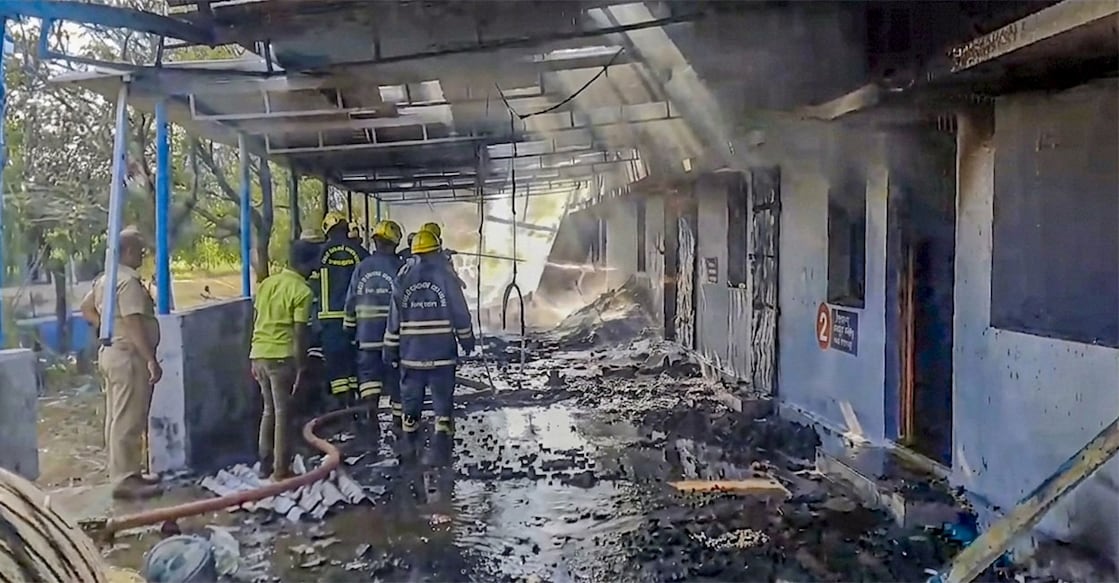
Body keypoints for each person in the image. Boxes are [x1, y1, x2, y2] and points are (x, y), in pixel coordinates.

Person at [79, 227, 162, 500]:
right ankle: (126, 480)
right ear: (126, 251)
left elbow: (86, 308)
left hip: (112, 352)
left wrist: (106, 328)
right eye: (139, 250)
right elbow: (133, 321)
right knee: (128, 419)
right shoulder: (126, 282)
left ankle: (128, 473)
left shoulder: (106, 279)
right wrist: (151, 359)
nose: (143, 254)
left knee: (117, 417)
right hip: (128, 355)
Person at [384, 230, 475, 465]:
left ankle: (410, 449)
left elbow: (394, 319)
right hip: (442, 355)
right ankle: (442, 450)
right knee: (442, 403)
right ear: (436, 252)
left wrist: (390, 349)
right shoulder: (446, 277)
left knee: (410, 403)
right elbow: (460, 313)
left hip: (411, 356)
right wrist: (466, 340)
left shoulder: (402, 277)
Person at [248, 243, 317, 480]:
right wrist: (301, 367)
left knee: (269, 411)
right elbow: (300, 334)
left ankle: (264, 465)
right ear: (306, 264)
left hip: (259, 354)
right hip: (281, 356)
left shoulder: (267, 284)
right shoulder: (302, 291)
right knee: (283, 413)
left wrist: (254, 354)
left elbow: (257, 320)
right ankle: (280, 470)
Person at [343, 220, 404, 436]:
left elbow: (351, 302)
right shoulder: (400, 268)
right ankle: (399, 422)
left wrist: (350, 330)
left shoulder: (361, 268)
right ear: (395, 243)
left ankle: (371, 418)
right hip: (394, 339)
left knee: (369, 380)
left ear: (375, 241)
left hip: (366, 337)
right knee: (396, 378)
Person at [317, 211, 369, 408]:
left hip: (329, 318)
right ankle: (359, 405)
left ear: (327, 230)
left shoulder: (320, 253)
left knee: (336, 364)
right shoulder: (359, 252)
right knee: (354, 358)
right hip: (356, 316)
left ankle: (342, 407)